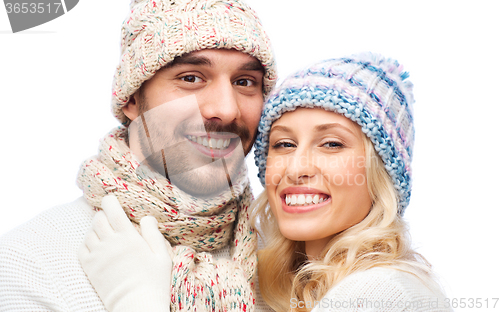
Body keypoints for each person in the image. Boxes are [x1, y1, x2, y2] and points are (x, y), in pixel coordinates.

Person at [0, 0, 276, 311]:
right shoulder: (30, 263)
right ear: (131, 99)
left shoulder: (291, 259)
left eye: (244, 82)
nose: (226, 110)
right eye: (190, 78)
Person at [251, 53, 452, 311]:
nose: (295, 168)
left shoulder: (379, 294)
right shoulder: (282, 286)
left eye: (332, 144)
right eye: (284, 144)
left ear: (381, 172)